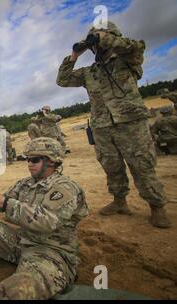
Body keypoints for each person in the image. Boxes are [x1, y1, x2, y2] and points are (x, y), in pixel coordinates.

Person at [56, 21, 170, 228]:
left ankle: (156, 206)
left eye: (99, 40)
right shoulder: (90, 72)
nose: (96, 46)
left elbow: (133, 46)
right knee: (111, 166)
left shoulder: (128, 59)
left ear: (112, 36)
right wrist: (74, 55)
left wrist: (101, 36)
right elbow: (62, 80)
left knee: (142, 165)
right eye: (94, 43)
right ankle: (119, 202)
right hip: (102, 126)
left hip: (131, 123)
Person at [0, 137, 88, 299]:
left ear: (51, 161)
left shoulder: (65, 188)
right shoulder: (25, 184)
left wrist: (5, 203)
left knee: (15, 291)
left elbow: (47, 220)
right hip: (22, 241)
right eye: (27, 159)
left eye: (34, 159)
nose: (29, 163)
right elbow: (3, 199)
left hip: (52, 253)